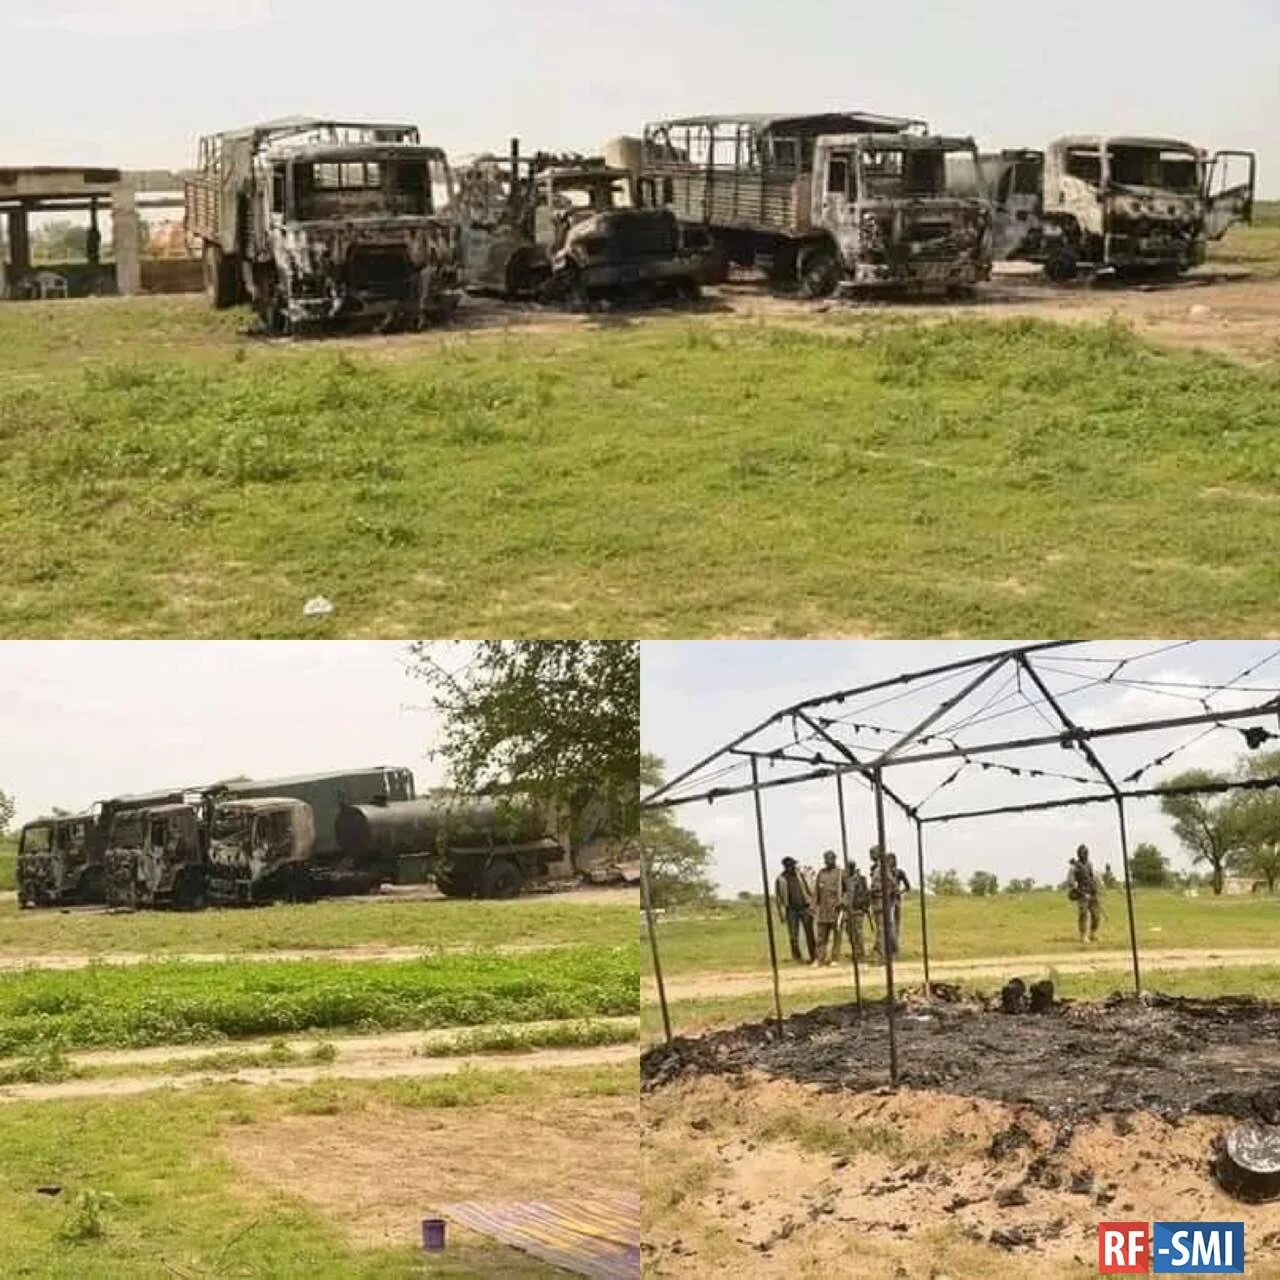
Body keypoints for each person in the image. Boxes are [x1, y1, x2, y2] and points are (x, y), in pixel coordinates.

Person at [869, 846, 911, 959]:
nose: (870, 856)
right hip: (878, 902)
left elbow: (894, 884)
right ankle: (888, 951)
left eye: (873, 853)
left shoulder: (885, 869)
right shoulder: (876, 868)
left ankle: (885, 954)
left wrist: (893, 894)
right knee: (885, 928)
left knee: (886, 928)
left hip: (886, 902)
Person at [774, 856, 816, 964]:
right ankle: (797, 958)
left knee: (809, 933)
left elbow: (810, 888)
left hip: (805, 907)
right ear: (785, 867)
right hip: (791, 910)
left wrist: (812, 905)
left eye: (793, 865)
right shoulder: (781, 879)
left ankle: (814, 956)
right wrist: (781, 913)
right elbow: (778, 898)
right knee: (793, 935)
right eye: (790, 865)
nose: (793, 867)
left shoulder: (801, 875)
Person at [811, 849, 846, 966]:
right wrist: (813, 906)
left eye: (830, 858)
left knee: (837, 936)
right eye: (825, 858)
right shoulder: (821, 873)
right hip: (823, 911)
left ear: (834, 859)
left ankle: (834, 958)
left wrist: (843, 901)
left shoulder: (841, 873)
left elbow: (848, 891)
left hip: (836, 911)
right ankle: (819, 959)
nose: (827, 861)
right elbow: (816, 892)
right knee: (821, 937)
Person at [1067, 844, 1101, 942]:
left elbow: (1091, 876)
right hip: (1082, 893)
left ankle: (1093, 933)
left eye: (1086, 853)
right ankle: (1083, 935)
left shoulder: (1089, 864)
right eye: (1083, 853)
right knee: (1083, 914)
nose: (1085, 855)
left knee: (1096, 915)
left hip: (1092, 891)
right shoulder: (1074, 868)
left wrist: (1095, 887)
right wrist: (1082, 893)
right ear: (1079, 854)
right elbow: (1071, 883)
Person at [843, 856, 872, 961]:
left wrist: (865, 906)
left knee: (858, 933)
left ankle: (861, 954)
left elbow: (867, 894)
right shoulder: (845, 880)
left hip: (858, 910)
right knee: (849, 932)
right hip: (848, 910)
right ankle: (856, 952)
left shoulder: (861, 879)